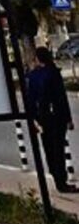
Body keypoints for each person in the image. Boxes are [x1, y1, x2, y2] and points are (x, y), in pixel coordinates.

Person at [27, 46, 76, 192]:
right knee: (58, 149)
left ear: (37, 59)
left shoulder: (33, 76)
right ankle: (62, 181)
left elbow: (30, 99)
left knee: (48, 148)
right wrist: (68, 118)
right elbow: (61, 97)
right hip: (57, 116)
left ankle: (56, 177)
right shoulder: (54, 73)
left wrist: (33, 119)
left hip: (43, 117)